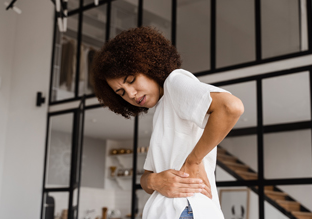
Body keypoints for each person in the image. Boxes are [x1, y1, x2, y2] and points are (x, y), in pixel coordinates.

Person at [91, 26, 244, 219]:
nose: (130, 94)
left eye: (131, 80)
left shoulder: (174, 82)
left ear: (148, 65)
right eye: (121, 92)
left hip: (184, 208)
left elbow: (230, 107)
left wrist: (193, 161)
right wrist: (156, 180)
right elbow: (146, 179)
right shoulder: (164, 110)